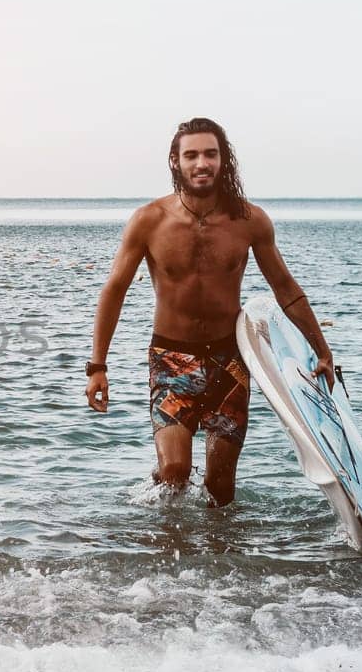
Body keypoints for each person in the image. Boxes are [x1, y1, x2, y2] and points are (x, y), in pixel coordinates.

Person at [87, 118, 334, 506]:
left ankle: (221, 562)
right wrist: (97, 366)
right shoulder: (149, 220)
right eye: (191, 155)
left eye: (210, 154)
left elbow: (284, 287)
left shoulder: (250, 221)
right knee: (174, 473)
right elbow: (114, 291)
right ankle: (168, 557)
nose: (201, 163)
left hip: (230, 360)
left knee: (221, 488)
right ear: (175, 161)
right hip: (171, 358)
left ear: (223, 160)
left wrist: (321, 349)